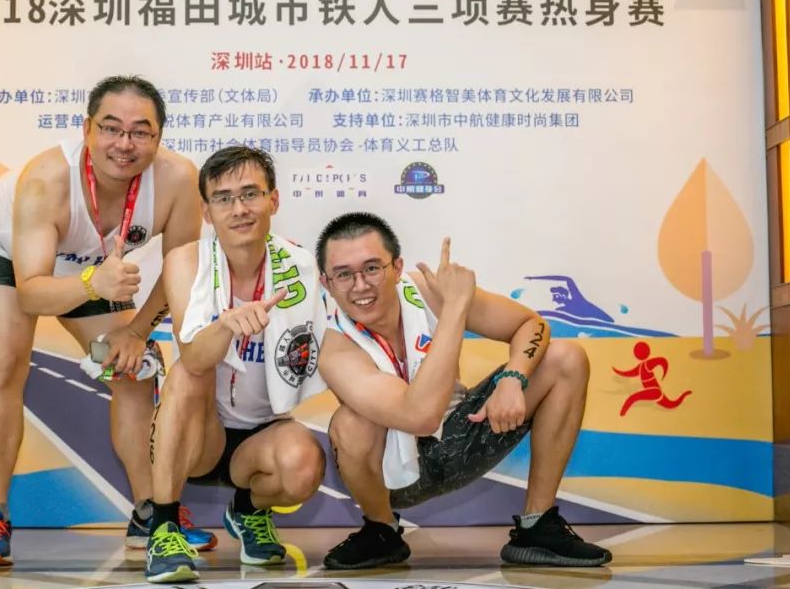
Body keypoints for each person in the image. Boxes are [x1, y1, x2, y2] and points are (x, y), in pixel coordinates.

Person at [0, 75, 214, 566]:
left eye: (140, 132)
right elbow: (31, 294)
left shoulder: (179, 179)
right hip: (11, 253)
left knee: (134, 370)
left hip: (91, 265)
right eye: (111, 128)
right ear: (87, 129)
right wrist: (91, 284)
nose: (124, 143)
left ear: (159, 137)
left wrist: (136, 332)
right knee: (5, 365)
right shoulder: (45, 180)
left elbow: (182, 270)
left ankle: (152, 512)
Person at [316, 212, 612, 569]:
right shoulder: (334, 347)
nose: (360, 285)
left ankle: (537, 525)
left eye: (372, 268)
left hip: (465, 430)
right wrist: (455, 305)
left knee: (565, 359)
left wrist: (513, 378)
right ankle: (381, 530)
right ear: (326, 283)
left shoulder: (426, 291)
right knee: (350, 424)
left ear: (396, 267)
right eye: (344, 275)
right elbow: (420, 417)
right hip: (396, 474)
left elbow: (530, 324)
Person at [144, 146, 328, 583]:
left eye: (250, 194)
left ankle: (246, 511)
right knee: (187, 376)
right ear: (206, 212)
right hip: (200, 434)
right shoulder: (186, 261)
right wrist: (226, 324)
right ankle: (163, 528)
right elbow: (193, 356)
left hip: (261, 432)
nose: (239, 209)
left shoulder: (300, 265)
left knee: (304, 464)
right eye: (223, 198)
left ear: (273, 200)